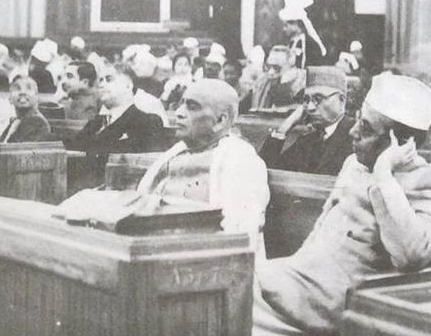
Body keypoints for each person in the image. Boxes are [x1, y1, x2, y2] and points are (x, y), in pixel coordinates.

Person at [251, 73, 431, 336]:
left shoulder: (425, 182)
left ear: (401, 142)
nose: (353, 132)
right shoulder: (353, 164)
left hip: (334, 303)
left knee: (227, 299)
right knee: (225, 284)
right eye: (357, 120)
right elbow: (321, 230)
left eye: (366, 128)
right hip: (299, 282)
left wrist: (384, 174)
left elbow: (413, 255)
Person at [137, 79, 270, 256]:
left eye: (192, 107)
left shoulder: (240, 159)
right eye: (180, 104)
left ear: (221, 120)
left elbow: (238, 234)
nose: (178, 113)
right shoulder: (175, 152)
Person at [260, 66, 354, 175]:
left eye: (318, 99)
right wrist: (284, 128)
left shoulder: (356, 137)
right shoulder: (307, 140)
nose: (310, 107)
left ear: (342, 100)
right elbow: (264, 173)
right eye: (306, 100)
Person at [65, 62, 164, 153]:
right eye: (100, 80)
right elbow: (74, 145)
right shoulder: (98, 120)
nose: (101, 85)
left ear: (128, 86)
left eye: (109, 79)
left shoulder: (147, 121)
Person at [239, 46, 305, 112]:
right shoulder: (261, 82)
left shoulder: (304, 85)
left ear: (291, 66)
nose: (270, 72)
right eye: (268, 67)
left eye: (276, 68)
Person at [279, 0, 327, 68]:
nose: (284, 29)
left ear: (296, 24)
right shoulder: (292, 42)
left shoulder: (307, 43)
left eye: (286, 25)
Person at [0, 75, 51, 143]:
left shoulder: (37, 122)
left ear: (36, 97)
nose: (22, 92)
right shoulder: (15, 122)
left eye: (28, 88)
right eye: (17, 88)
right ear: (10, 98)